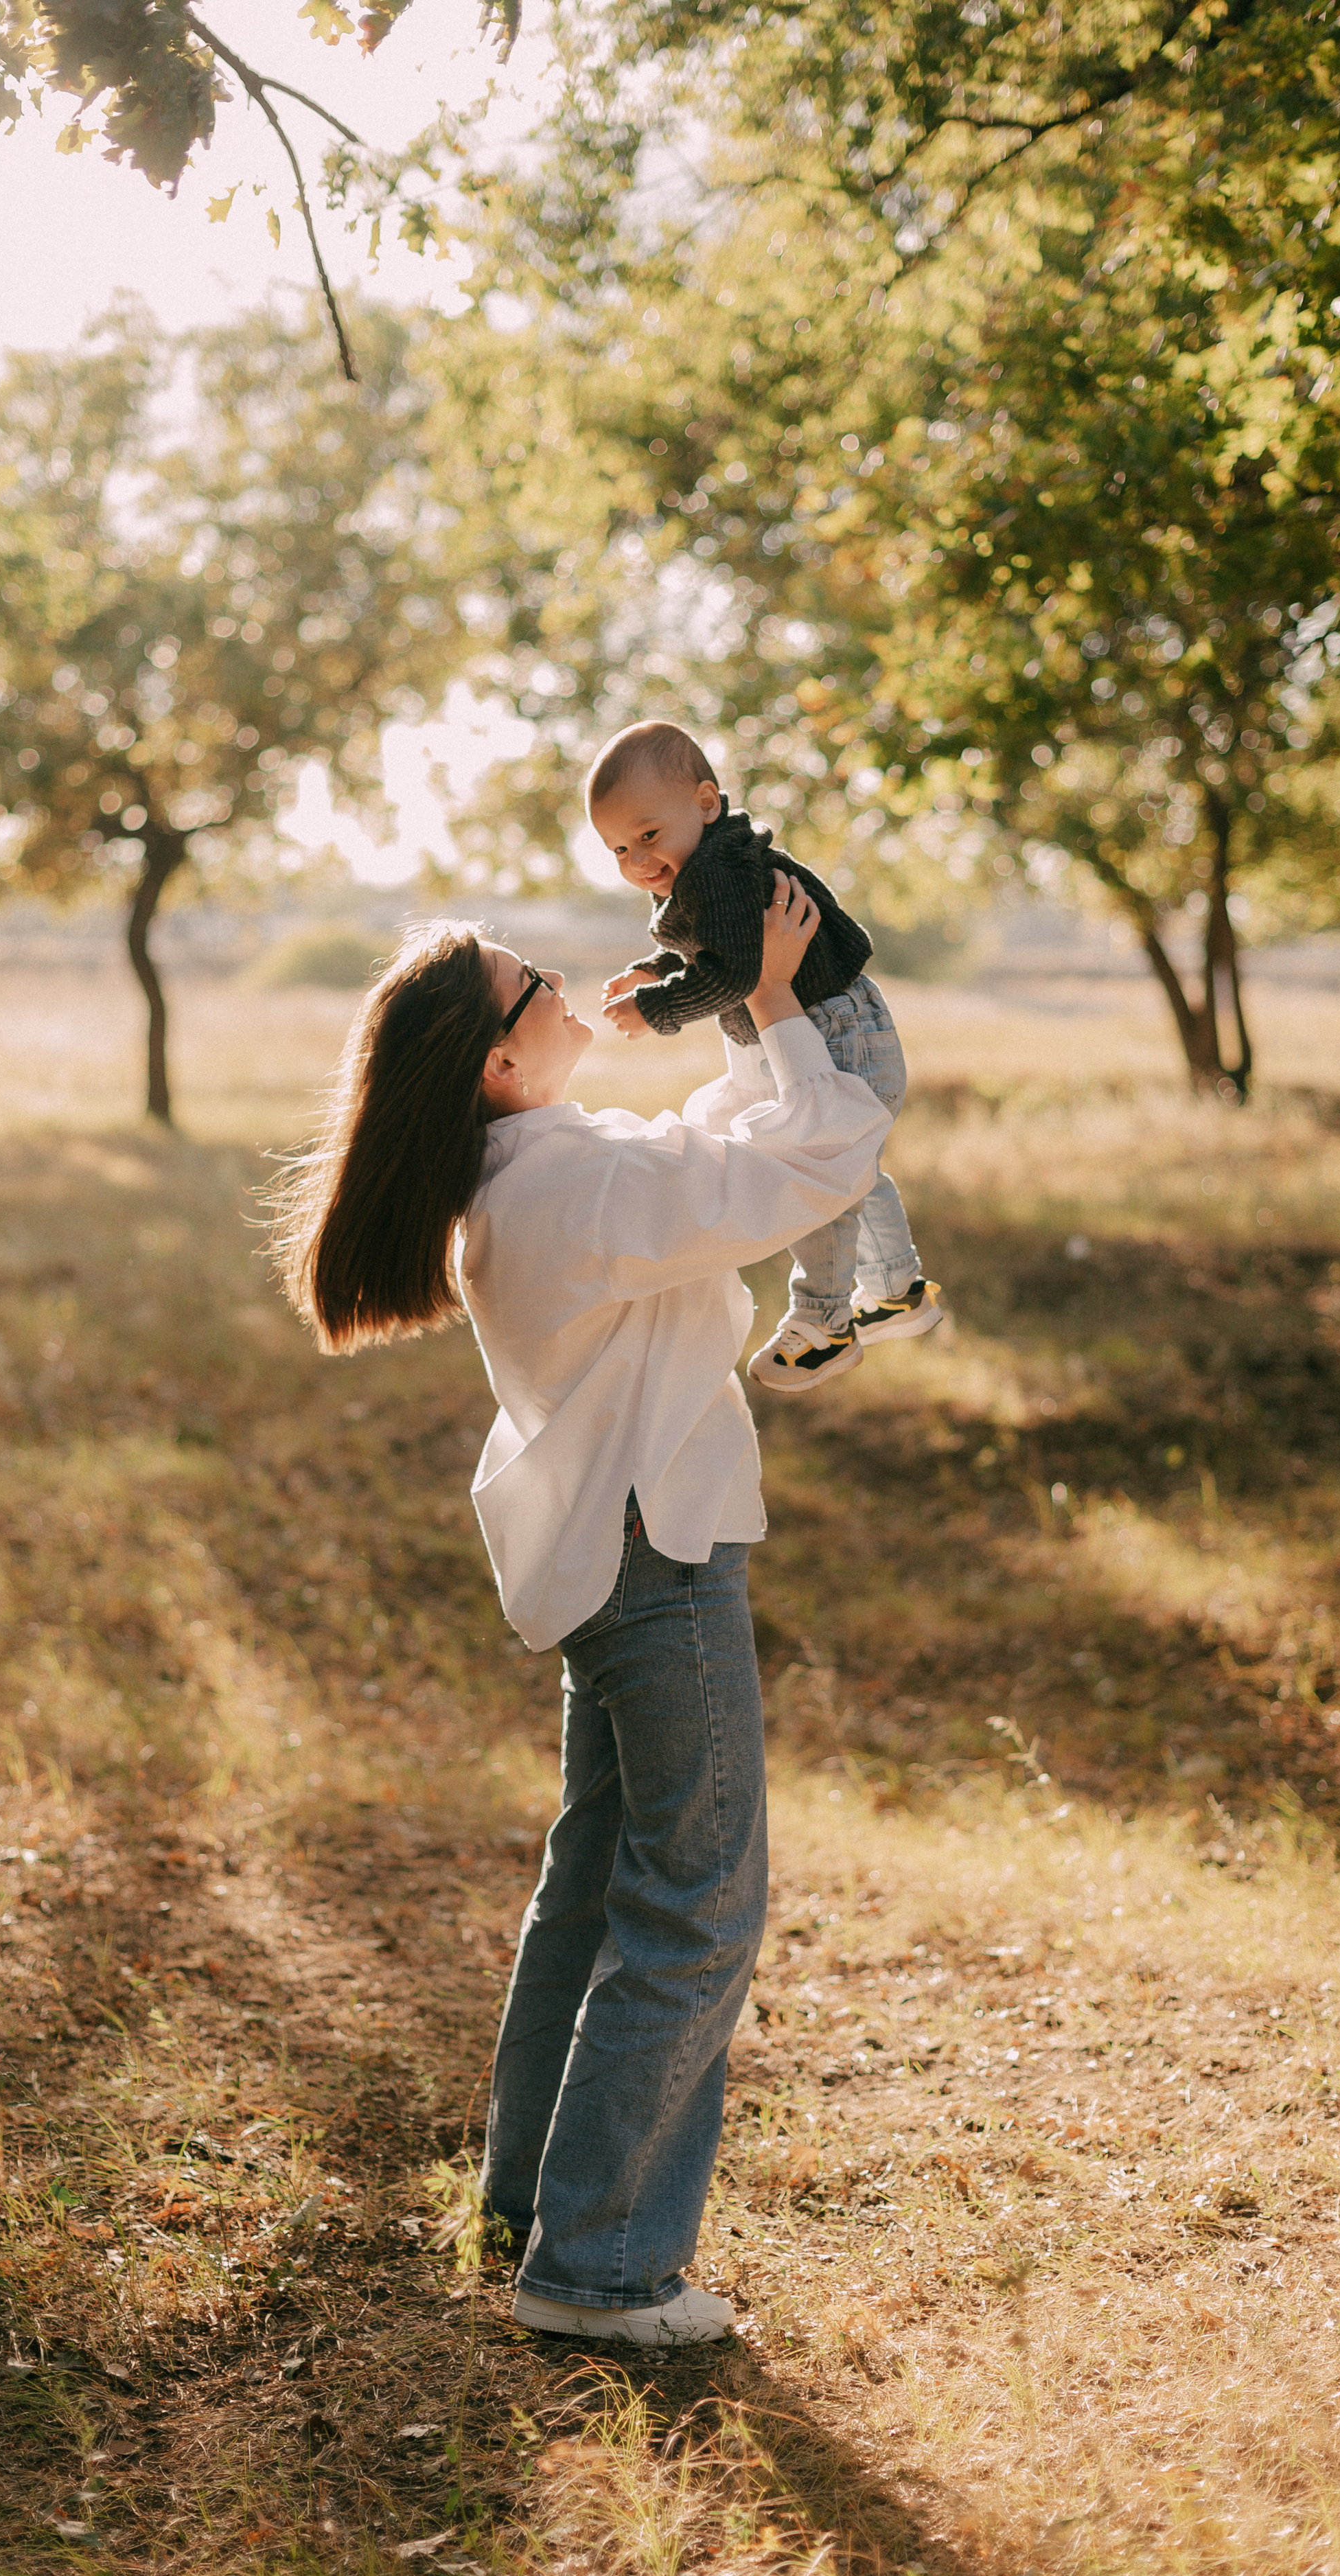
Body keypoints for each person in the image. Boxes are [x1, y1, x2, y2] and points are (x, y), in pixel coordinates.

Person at [269, 877, 890, 2347]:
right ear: (498, 1061)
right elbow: (818, 1159)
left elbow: (711, 1148)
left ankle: (528, 2208)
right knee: (696, 1904)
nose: (565, 987)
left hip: (613, 1569)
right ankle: (599, 2268)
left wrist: (739, 1004)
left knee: (594, 1889)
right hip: (657, 1567)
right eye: (531, 983)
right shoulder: (564, 1188)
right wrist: (791, 1002)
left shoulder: (542, 1166)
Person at [588, 717, 943, 1394]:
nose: (636, 859)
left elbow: (731, 975)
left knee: (813, 1172)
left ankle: (824, 1325)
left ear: (705, 803)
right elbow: (716, 945)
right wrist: (652, 968)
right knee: (847, 1164)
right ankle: (897, 1287)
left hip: (831, 1031)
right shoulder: (716, 864)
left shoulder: (716, 873)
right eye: (617, 849)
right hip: (843, 1025)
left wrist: (656, 1007)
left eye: (648, 835)